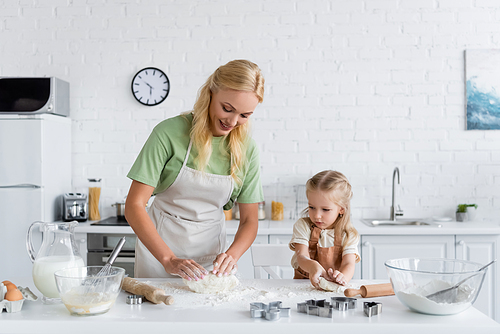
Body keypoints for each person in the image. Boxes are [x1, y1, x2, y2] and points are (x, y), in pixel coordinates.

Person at [125, 60, 265, 281]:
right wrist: (168, 259)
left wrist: (232, 255)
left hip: (211, 260)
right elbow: (134, 205)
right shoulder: (169, 133)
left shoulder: (247, 149)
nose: (232, 121)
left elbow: (250, 220)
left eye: (244, 115)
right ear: (210, 94)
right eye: (227, 109)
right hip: (159, 255)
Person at [289, 170, 360, 288]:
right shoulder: (303, 226)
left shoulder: (348, 234)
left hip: (333, 289)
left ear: (341, 209)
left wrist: (342, 277)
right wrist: (313, 267)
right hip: (302, 288)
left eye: (325, 209)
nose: (317, 215)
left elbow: (348, 263)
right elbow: (301, 256)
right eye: (312, 207)